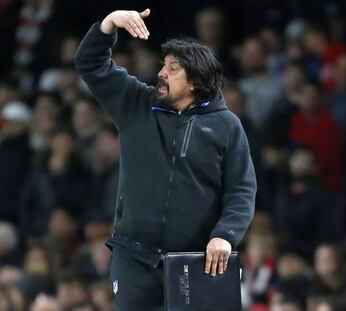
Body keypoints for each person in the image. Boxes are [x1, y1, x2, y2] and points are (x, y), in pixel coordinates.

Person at [74, 8, 257, 310]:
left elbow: (241, 189)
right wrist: (109, 24)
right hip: (134, 257)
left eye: (173, 69)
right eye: (163, 65)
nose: (161, 73)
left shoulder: (226, 125)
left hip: (195, 260)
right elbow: (90, 64)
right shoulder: (136, 104)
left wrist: (225, 235)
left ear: (196, 82)